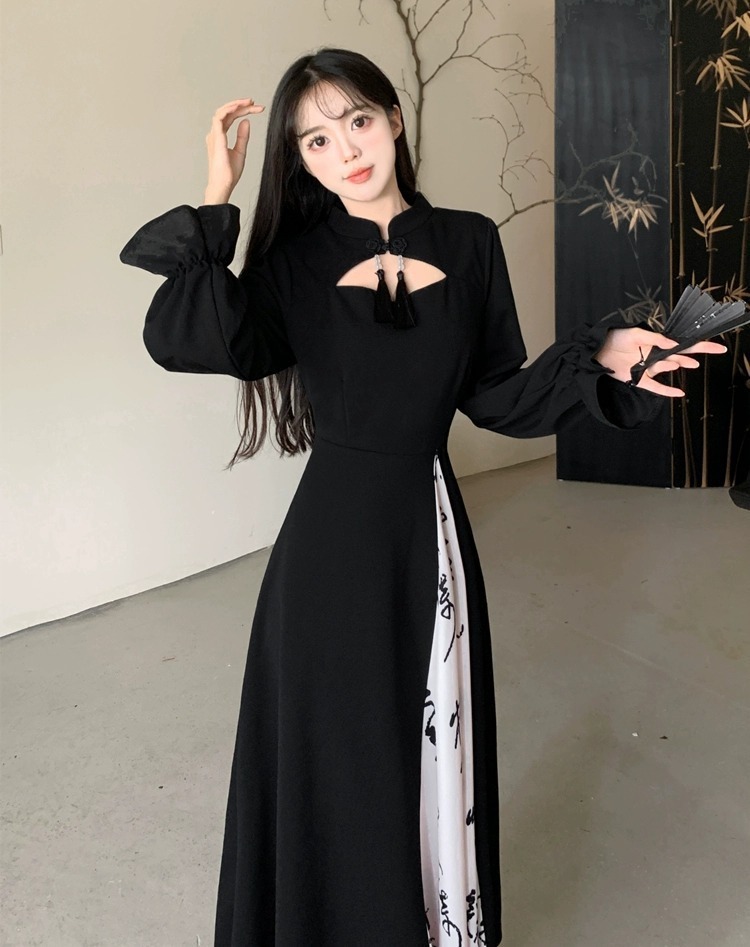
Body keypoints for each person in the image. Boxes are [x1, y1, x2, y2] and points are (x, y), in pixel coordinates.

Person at [119, 47, 727, 947]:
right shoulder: (293, 263)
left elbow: (498, 395)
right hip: (327, 553)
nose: (346, 151)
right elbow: (190, 339)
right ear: (300, 161)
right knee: (336, 759)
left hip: (429, 535)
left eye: (358, 121)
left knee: (424, 748)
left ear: (395, 119)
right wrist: (218, 192)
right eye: (316, 141)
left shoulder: (471, 242)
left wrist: (602, 356)